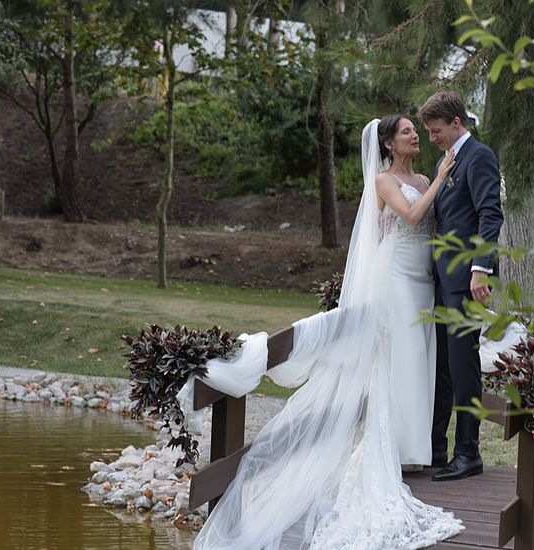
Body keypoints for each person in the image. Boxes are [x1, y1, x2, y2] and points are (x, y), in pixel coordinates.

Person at [189, 116, 461, 549]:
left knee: (420, 360)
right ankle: (397, 450)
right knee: (401, 358)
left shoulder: (424, 175)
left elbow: (425, 220)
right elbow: (410, 214)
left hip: (422, 278)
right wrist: (441, 179)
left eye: (415, 130)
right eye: (407, 131)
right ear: (389, 144)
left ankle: (417, 450)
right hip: (396, 279)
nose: (415, 135)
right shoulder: (384, 179)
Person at [418, 91, 504, 482]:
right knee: (443, 367)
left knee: (464, 366)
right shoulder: (445, 161)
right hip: (443, 279)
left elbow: (490, 214)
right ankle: (437, 447)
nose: (432, 138)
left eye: (436, 130)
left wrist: (480, 268)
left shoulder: (479, 156)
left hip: (466, 281)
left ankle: (468, 451)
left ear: (456, 122)